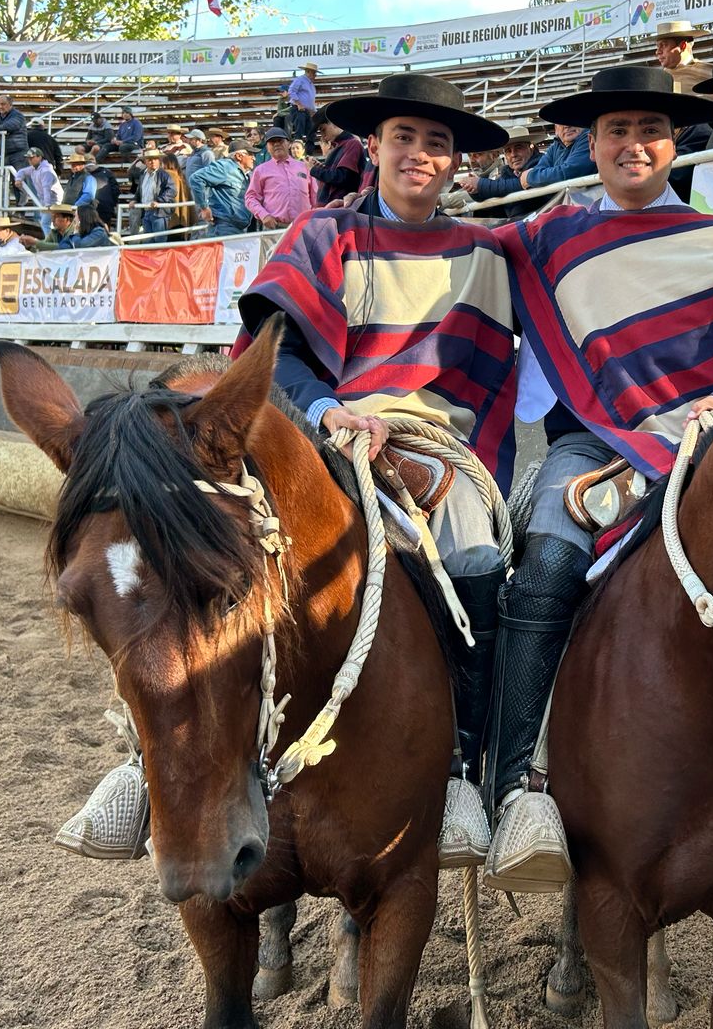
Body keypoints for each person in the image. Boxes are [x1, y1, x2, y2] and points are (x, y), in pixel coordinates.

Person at [60, 73, 518, 867]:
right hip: (324, 429)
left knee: (477, 553)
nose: (419, 155)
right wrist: (330, 414)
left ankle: (455, 770)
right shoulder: (322, 232)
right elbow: (281, 356)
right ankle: (143, 762)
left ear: (455, 164)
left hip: (436, 445)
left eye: (437, 144)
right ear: (372, 147)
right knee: (192, 557)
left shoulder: (489, 253)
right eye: (404, 138)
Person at [483, 65, 713, 891]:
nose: (635, 145)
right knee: (549, 563)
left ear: (674, 144)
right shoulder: (545, 238)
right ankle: (517, 785)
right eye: (617, 131)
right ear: (590, 145)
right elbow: (455, 265)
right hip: (590, 452)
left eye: (650, 131)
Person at [457, 123, 546, 215]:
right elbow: (493, 193)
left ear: (531, 149)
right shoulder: (507, 172)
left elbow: (516, 184)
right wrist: (473, 191)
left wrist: (479, 184)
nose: (513, 155)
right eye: (508, 151)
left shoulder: (542, 164)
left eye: (519, 148)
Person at [244, 127, 313, 230]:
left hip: (303, 227)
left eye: (280, 141)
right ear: (267, 147)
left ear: (288, 143)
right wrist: (264, 215)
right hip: (274, 228)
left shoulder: (304, 167)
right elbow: (251, 198)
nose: (276, 144)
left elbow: (315, 196)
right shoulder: (261, 170)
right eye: (272, 142)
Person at [191, 141, 257, 235]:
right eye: (250, 154)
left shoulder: (243, 173)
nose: (254, 158)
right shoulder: (225, 167)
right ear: (239, 156)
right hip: (224, 227)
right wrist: (204, 207)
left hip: (234, 227)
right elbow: (196, 178)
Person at [308, 113, 367, 206]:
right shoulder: (340, 145)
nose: (323, 136)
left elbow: (341, 178)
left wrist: (314, 170)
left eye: (323, 130)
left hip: (341, 208)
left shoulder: (352, 144)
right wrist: (321, 168)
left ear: (334, 123)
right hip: (334, 208)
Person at [516, 123, 596, 190]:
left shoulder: (588, 139)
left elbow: (569, 172)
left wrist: (530, 177)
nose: (567, 126)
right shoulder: (556, 146)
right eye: (561, 122)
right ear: (556, 128)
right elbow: (539, 169)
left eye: (571, 118)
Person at [129, 147, 177, 236]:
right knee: (149, 240)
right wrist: (135, 199)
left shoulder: (164, 174)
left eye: (155, 159)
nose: (153, 162)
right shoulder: (143, 175)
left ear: (159, 161)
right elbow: (140, 190)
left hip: (159, 212)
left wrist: (159, 200)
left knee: (159, 240)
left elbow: (172, 190)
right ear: (145, 162)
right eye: (150, 159)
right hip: (146, 212)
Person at [653, 20, 713, 92]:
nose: (657, 52)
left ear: (682, 46)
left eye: (664, 45)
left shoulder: (711, 73)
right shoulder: (658, 79)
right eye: (657, 46)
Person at [15, 147, 63, 229]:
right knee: (47, 223)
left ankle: (50, 240)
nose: (29, 160)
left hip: (53, 201)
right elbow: (21, 171)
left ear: (39, 157)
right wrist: (18, 179)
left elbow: (46, 189)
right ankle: (51, 239)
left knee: (45, 223)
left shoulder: (46, 171)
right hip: (45, 200)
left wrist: (47, 206)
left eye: (32, 158)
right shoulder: (34, 168)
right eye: (28, 158)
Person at [0, 95, 30, 173]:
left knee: (23, 181)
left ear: (10, 104)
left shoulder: (18, 115)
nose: (0, 107)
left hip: (19, 155)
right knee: (0, 181)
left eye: (3, 104)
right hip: (4, 155)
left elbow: (10, 126)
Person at [288, 62, 319, 144]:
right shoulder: (300, 79)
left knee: (311, 133)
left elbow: (310, 100)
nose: (315, 75)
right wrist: (299, 104)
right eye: (314, 73)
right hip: (299, 110)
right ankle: (298, 153)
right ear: (308, 71)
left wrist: (313, 110)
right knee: (299, 132)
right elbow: (291, 91)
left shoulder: (311, 84)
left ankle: (309, 154)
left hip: (307, 111)